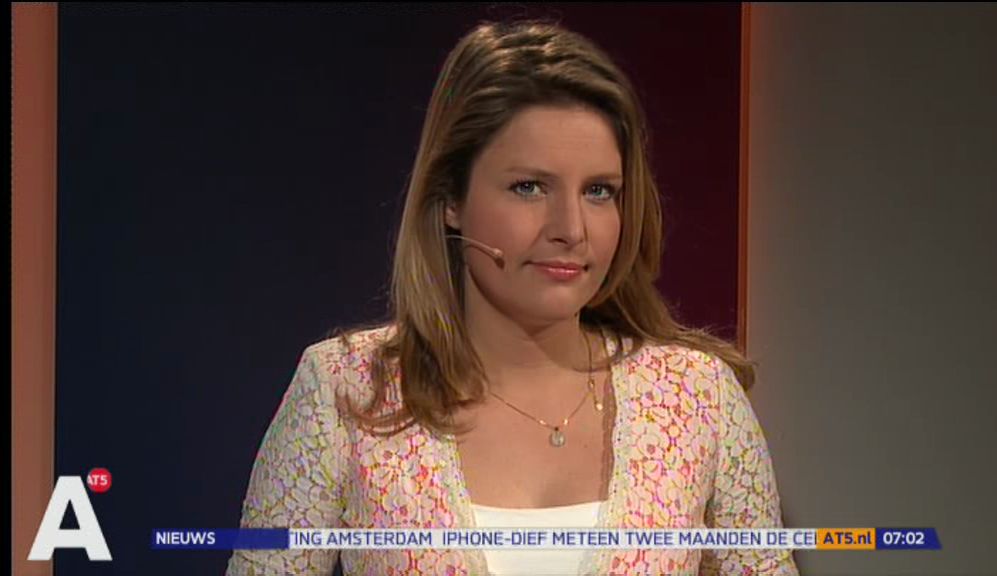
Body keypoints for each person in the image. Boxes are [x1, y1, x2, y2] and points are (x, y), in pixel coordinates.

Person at [227, 17, 799, 576]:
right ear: (451, 199)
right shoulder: (346, 390)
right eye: (529, 187)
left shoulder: (697, 398)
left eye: (599, 191)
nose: (571, 228)